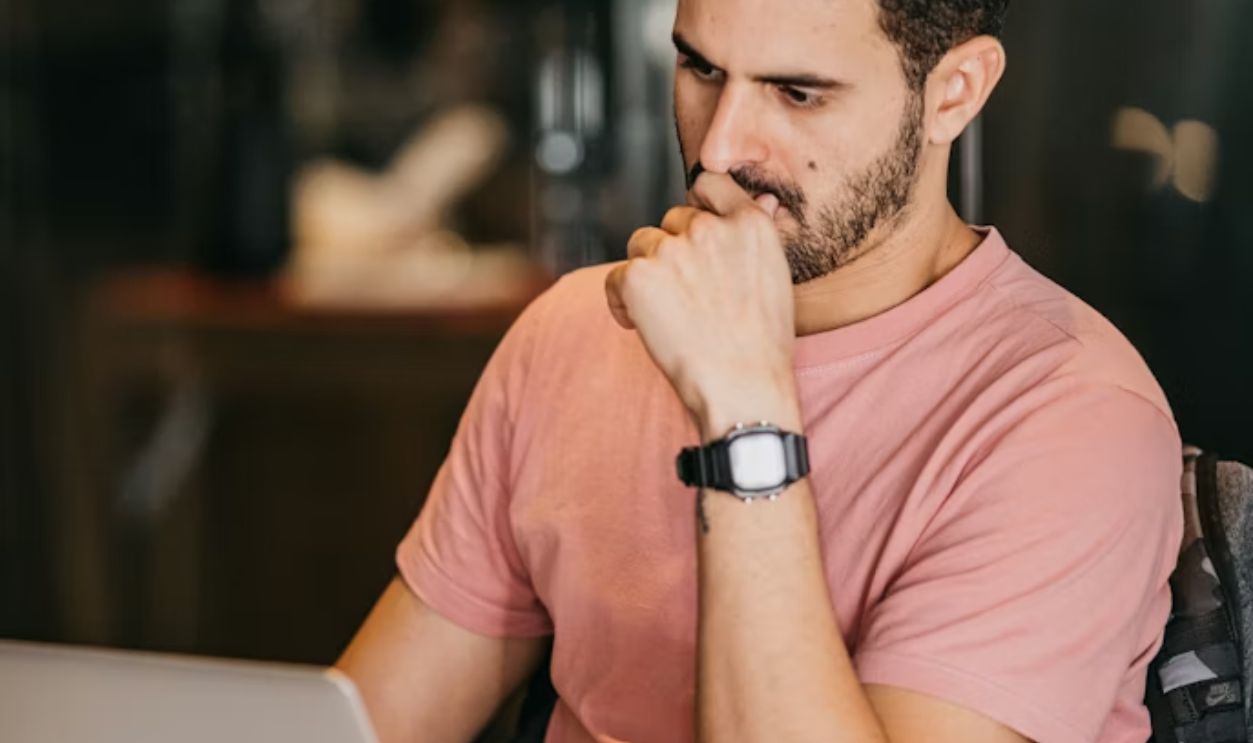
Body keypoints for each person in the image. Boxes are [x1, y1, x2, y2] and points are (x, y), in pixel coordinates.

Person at [335, 0, 1184, 741]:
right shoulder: (573, 329)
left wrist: (742, 409)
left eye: (796, 91)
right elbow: (375, 721)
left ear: (953, 92)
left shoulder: (1072, 416)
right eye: (699, 67)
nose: (718, 147)